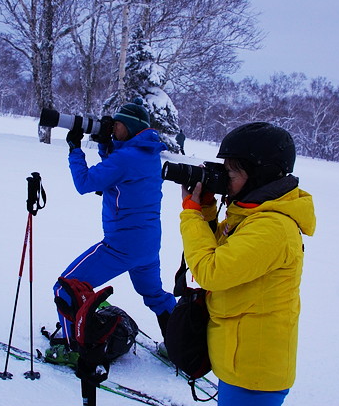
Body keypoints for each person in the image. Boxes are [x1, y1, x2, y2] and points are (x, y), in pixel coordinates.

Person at [178, 122, 316, 406]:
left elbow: (211, 271)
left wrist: (191, 216)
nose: (224, 178)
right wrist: (205, 211)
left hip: (255, 374)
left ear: (259, 175)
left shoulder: (272, 227)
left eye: (232, 171)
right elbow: (223, 254)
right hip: (241, 362)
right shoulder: (249, 215)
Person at [49, 98, 176, 364]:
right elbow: (118, 171)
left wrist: (75, 149)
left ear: (129, 128)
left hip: (122, 245)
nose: (113, 127)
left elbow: (85, 183)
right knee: (155, 295)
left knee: (66, 288)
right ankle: (179, 348)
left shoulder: (126, 158)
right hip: (148, 245)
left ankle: (75, 351)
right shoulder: (148, 154)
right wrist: (107, 145)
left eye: (117, 125)